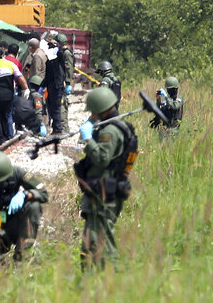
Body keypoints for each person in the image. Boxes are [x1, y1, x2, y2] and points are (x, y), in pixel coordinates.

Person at [75, 86, 137, 270]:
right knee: (93, 243)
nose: (92, 115)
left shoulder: (110, 131)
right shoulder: (117, 125)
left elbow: (102, 158)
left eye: (93, 112)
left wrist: (88, 139)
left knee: (100, 243)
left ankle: (111, 281)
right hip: (104, 191)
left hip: (103, 194)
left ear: (101, 110)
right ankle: (92, 282)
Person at [0, 48, 28, 148]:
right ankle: (6, 137)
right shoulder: (10, 65)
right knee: (5, 116)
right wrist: (26, 89)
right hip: (8, 96)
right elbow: (20, 77)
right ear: (3, 55)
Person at [42, 35, 66, 134]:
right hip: (51, 85)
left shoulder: (59, 56)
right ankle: (55, 127)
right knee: (51, 107)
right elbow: (48, 75)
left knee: (56, 107)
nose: (49, 47)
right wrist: (42, 85)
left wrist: (58, 48)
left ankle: (58, 129)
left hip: (57, 85)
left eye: (51, 45)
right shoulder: (49, 61)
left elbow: (61, 55)